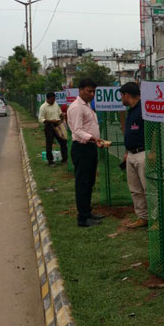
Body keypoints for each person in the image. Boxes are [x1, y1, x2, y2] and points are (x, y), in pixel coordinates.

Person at [67, 78, 107, 227]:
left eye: (93, 91)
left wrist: (95, 140)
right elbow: (77, 130)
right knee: (83, 183)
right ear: (80, 90)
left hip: (90, 147)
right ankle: (82, 218)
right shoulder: (77, 107)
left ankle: (87, 212)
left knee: (89, 181)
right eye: (89, 91)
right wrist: (92, 138)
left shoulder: (87, 105)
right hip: (81, 148)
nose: (92, 94)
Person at [120, 82, 148, 229]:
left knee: (148, 188)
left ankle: (155, 219)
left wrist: (152, 152)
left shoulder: (144, 109)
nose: (121, 98)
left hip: (143, 153)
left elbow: (153, 132)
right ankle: (143, 217)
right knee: (135, 189)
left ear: (127, 95)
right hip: (131, 154)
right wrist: (126, 153)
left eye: (121, 95)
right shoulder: (130, 110)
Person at [38, 92, 68, 166]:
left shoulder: (56, 104)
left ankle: (65, 159)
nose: (53, 101)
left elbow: (59, 113)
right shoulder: (43, 107)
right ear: (47, 99)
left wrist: (62, 114)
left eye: (54, 99)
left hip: (58, 125)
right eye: (52, 99)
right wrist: (51, 121)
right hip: (49, 126)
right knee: (49, 144)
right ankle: (50, 161)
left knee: (63, 141)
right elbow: (40, 119)